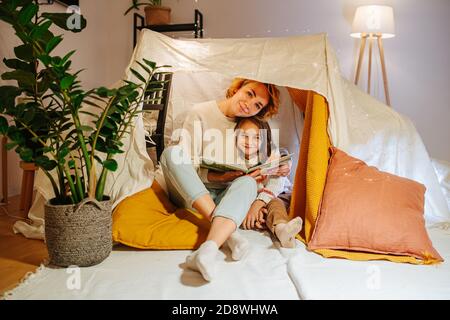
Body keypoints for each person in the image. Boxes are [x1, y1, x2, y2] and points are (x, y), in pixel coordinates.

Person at [160, 78, 286, 281]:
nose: (249, 104)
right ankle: (228, 234)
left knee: (247, 182)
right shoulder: (200, 112)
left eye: (257, 105)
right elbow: (186, 162)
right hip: (192, 194)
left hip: (226, 200)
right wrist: (217, 176)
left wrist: (276, 171)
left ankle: (207, 250)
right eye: (250, 93)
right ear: (238, 88)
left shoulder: (252, 126)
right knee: (172, 153)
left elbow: (274, 165)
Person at [234, 117, 302, 248]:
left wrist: (258, 204)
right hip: (255, 199)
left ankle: (282, 229)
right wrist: (254, 206)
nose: (249, 142)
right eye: (244, 136)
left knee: (274, 204)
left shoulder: (271, 155)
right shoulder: (235, 158)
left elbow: (276, 184)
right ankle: (265, 220)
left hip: (279, 194)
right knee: (257, 209)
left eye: (257, 138)